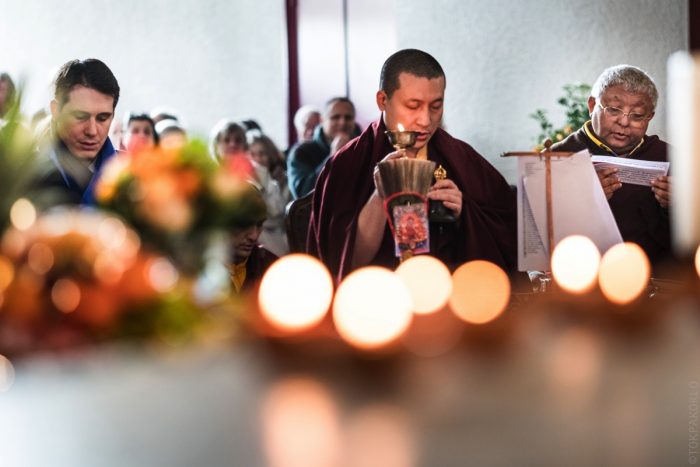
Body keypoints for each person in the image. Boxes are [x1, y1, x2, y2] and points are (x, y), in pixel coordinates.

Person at [308, 48, 517, 282]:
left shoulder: (461, 158)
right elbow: (343, 262)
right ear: (383, 100)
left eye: (436, 106)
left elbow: (508, 231)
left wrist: (464, 214)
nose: (426, 120)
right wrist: (380, 195)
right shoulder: (348, 163)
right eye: (413, 105)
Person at [550, 64, 672, 269]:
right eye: (614, 110)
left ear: (649, 116)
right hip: (583, 275)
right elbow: (538, 234)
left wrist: (680, 207)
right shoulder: (558, 157)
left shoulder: (669, 156)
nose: (624, 122)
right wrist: (583, 202)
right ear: (591, 105)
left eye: (637, 115)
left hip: (658, 277)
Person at [33, 58, 120, 206]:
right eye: (80, 116)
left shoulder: (136, 177)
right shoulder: (22, 177)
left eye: (102, 118)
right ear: (55, 110)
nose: (92, 131)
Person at [287, 97, 356, 199]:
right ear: (323, 120)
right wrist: (333, 157)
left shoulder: (365, 147)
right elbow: (302, 194)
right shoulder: (301, 153)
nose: (342, 122)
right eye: (335, 117)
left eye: (348, 117)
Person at [227, 186, 278, 293]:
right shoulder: (194, 270)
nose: (254, 236)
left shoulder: (273, 270)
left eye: (259, 225)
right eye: (244, 224)